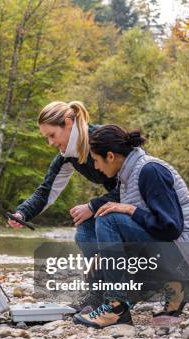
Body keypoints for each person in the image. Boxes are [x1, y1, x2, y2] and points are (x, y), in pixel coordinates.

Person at [72, 125, 189, 329]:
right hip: (170, 253)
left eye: (96, 160)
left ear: (110, 156)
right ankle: (178, 288)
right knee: (85, 231)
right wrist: (102, 256)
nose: (96, 167)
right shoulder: (127, 176)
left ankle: (116, 308)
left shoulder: (150, 170)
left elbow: (170, 228)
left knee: (109, 218)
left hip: (187, 254)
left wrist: (130, 210)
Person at [7, 101, 118, 310]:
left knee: (87, 227)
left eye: (52, 135)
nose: (50, 143)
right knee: (85, 229)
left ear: (68, 123)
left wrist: (93, 206)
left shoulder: (104, 140)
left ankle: (114, 296)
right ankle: (97, 295)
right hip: (120, 203)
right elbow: (46, 191)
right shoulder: (67, 156)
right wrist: (22, 213)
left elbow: (135, 185)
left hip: (142, 204)